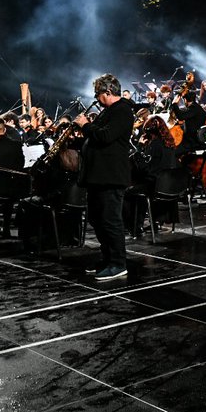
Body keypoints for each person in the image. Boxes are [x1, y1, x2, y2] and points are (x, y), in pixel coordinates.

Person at [75, 74, 134, 282]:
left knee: (110, 220)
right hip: (99, 176)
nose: (96, 98)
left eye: (98, 94)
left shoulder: (123, 111)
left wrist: (85, 125)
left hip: (111, 175)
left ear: (108, 92)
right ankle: (107, 258)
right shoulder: (109, 111)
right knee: (96, 218)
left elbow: (106, 136)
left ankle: (118, 264)